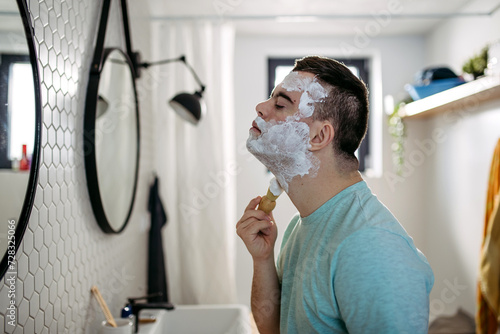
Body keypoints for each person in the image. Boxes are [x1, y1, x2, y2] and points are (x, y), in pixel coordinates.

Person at [236, 56, 434, 333]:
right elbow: (274, 328)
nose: (260, 107)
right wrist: (263, 259)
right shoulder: (300, 225)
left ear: (318, 137)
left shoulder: (372, 248)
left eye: (280, 104)